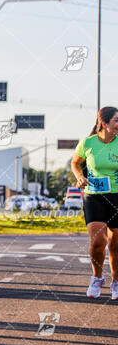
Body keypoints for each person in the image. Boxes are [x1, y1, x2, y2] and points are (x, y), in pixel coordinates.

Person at [71, 106, 118, 300]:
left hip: (117, 195)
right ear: (104, 123)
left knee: (116, 245)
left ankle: (116, 282)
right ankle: (97, 278)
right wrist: (80, 176)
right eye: (116, 121)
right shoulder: (88, 143)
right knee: (98, 242)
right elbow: (75, 163)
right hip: (94, 196)